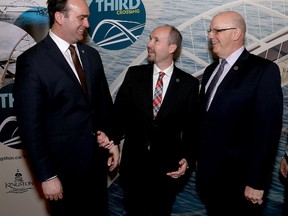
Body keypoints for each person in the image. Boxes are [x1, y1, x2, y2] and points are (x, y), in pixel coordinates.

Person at [13, 0, 120, 215]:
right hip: (62, 173)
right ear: (60, 18)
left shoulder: (91, 56)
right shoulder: (32, 62)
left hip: (95, 169)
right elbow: (30, 127)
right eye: (82, 18)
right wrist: (47, 176)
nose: (88, 24)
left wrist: (112, 140)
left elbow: (102, 107)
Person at [196, 11, 283, 216]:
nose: (210, 35)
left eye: (217, 30)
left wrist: (257, 181)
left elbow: (268, 130)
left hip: (240, 184)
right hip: (209, 181)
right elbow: (205, 120)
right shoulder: (210, 71)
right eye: (210, 30)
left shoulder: (264, 71)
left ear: (236, 33)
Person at [112, 24, 199, 216]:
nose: (149, 44)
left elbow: (192, 128)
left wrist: (187, 157)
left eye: (156, 40)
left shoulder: (189, 84)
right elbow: (118, 116)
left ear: (172, 48)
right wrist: (113, 142)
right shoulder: (134, 75)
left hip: (166, 173)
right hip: (133, 170)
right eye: (150, 39)